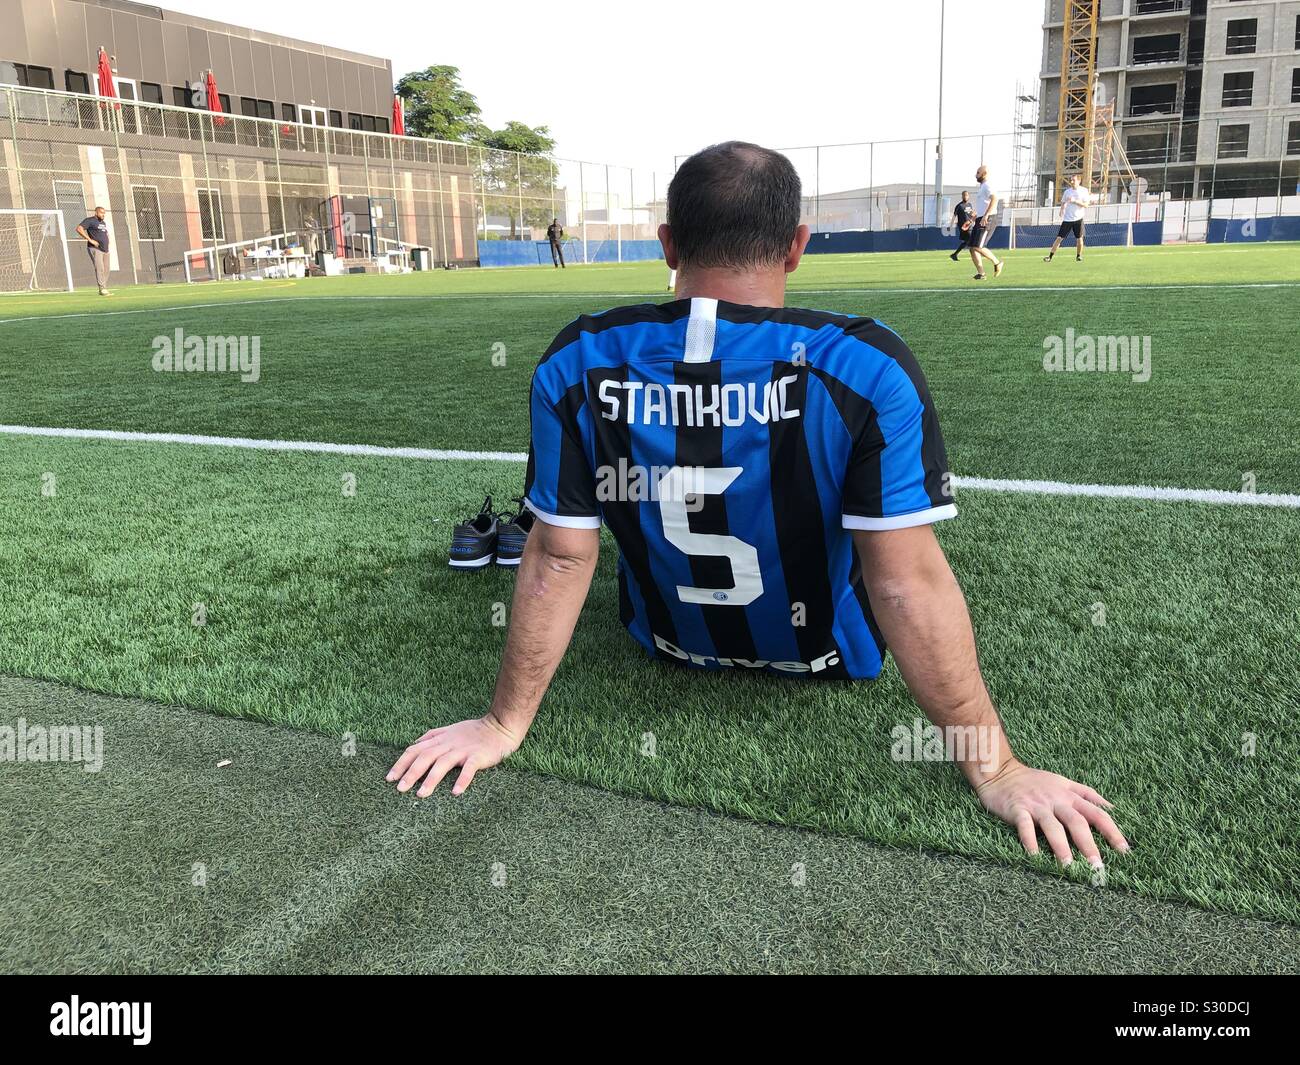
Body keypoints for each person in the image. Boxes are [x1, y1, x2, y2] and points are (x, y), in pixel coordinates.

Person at [389, 141, 1128, 869]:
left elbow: (558, 554)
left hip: (664, 644)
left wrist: (501, 723)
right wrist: (996, 768)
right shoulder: (865, 364)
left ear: (669, 244)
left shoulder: (578, 357)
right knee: (895, 541)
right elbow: (904, 582)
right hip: (829, 656)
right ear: (797, 246)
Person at [968, 165, 1004, 281]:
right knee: (972, 248)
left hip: (988, 219)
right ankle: (981, 273)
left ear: (984, 173)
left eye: (978, 172)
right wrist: (975, 217)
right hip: (980, 218)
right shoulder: (982, 187)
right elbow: (984, 204)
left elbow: (994, 199)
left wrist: (986, 215)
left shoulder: (988, 185)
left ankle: (997, 262)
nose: (976, 174)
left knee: (978, 246)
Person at [1044, 174, 1090, 263]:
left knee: (1079, 238)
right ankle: (1050, 257)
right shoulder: (1067, 192)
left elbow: (1086, 205)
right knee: (1059, 238)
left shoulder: (1084, 191)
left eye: (1074, 180)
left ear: (1079, 181)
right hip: (1067, 220)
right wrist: (1062, 210)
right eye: (1071, 180)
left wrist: (1075, 201)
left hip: (1078, 219)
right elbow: (1063, 202)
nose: (1071, 182)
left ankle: (1079, 256)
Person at [75, 206, 111, 295]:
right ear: (96, 212)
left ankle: (104, 287)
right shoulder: (90, 220)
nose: (103, 215)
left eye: (104, 213)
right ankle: (102, 288)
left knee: (107, 269)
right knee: (100, 268)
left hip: (105, 249)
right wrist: (90, 240)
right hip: (95, 248)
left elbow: (104, 233)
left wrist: (108, 240)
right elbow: (79, 229)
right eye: (101, 213)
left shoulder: (103, 223)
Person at [950, 190, 975, 262]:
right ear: (962, 196)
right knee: (971, 240)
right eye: (964, 195)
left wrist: (974, 220)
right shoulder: (959, 206)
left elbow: (972, 214)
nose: (965, 196)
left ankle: (954, 254)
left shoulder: (970, 205)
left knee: (967, 241)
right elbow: (954, 216)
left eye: (966, 195)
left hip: (970, 225)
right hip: (963, 227)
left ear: (968, 196)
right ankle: (975, 255)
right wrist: (951, 225)